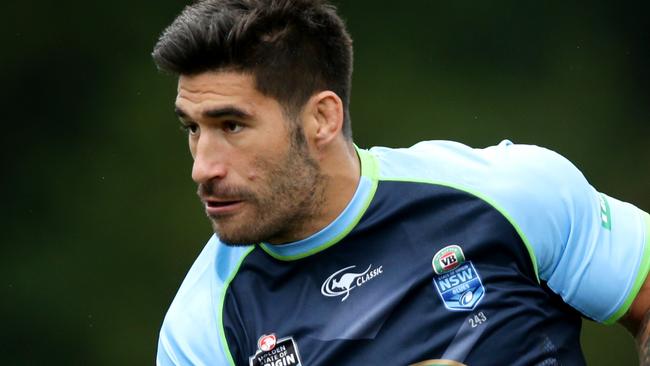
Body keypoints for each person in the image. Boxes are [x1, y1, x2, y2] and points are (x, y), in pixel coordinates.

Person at [151, 1, 650, 365]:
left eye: (232, 126)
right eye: (192, 128)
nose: (203, 167)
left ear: (321, 118)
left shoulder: (509, 192)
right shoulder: (201, 330)